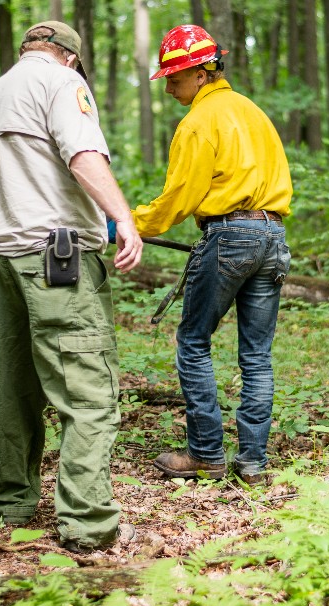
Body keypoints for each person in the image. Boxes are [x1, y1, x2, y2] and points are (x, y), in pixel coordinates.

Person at [0, 21, 144, 552]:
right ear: (69, 57)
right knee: (87, 391)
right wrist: (123, 219)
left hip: (0, 262)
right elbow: (82, 154)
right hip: (56, 262)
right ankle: (89, 524)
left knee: (15, 386)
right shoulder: (63, 84)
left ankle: (10, 502)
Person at [133, 25, 292, 484]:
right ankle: (253, 464)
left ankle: (205, 454)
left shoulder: (199, 123)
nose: (168, 86)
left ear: (203, 73)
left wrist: (128, 222)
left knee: (193, 343)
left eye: (175, 77)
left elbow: (178, 198)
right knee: (257, 356)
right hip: (273, 236)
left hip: (230, 234)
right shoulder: (253, 112)